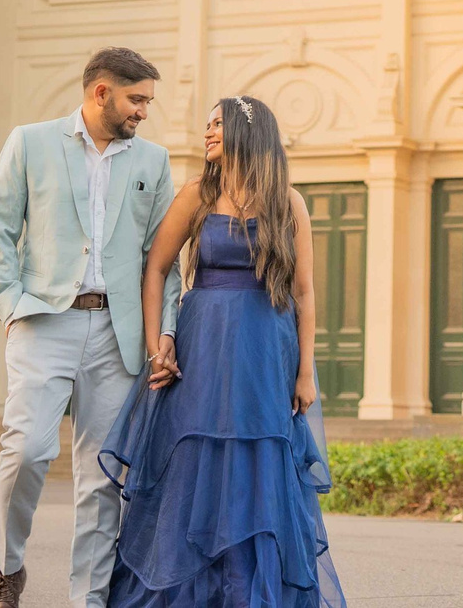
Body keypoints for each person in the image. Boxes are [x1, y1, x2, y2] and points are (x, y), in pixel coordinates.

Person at [98, 95, 345, 608]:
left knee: (259, 461)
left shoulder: (289, 202)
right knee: (195, 460)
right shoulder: (197, 195)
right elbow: (156, 268)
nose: (207, 133)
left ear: (245, 133)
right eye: (206, 124)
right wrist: (155, 346)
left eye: (217, 124)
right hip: (203, 346)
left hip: (264, 350)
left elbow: (303, 292)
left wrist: (304, 373)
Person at [0, 47, 177, 608]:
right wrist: (12, 305)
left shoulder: (153, 162)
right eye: (137, 99)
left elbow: (161, 258)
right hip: (44, 321)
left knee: (102, 478)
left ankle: (87, 600)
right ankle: (8, 567)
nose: (143, 112)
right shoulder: (29, 142)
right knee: (27, 450)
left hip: (117, 336)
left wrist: (163, 332)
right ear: (101, 93)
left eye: (147, 102)